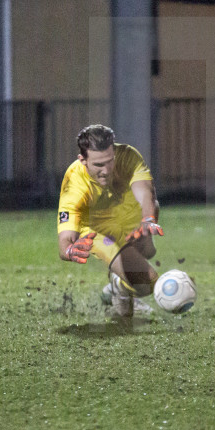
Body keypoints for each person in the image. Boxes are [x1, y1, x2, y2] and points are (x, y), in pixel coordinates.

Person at [56, 124, 163, 319]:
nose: (106, 170)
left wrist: (147, 219)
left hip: (122, 214)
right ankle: (120, 284)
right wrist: (71, 251)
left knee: (150, 229)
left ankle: (119, 283)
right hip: (96, 230)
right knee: (146, 284)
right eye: (98, 165)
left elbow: (144, 190)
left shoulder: (128, 155)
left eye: (109, 162)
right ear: (83, 160)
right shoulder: (74, 183)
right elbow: (65, 241)